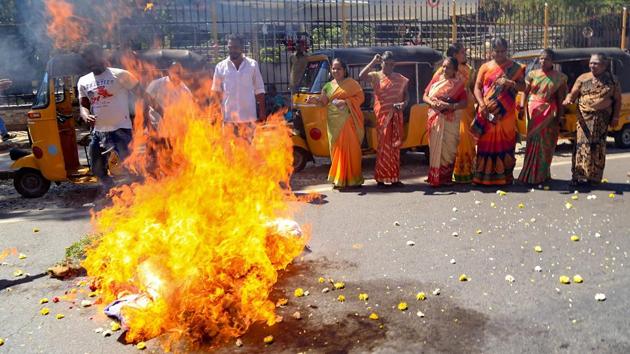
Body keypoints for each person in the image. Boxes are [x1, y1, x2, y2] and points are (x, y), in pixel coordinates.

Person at [78, 43, 143, 189]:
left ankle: (139, 193)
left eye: (94, 58)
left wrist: (161, 112)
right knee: (97, 169)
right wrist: (85, 115)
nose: (92, 62)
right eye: (88, 60)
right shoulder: (83, 81)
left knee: (130, 167)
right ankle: (111, 190)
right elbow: (83, 105)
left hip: (121, 130)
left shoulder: (120, 74)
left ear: (102, 57)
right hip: (99, 132)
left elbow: (143, 95)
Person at [472, 38, 525, 185]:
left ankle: (504, 176)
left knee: (506, 142)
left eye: (503, 51)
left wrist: (510, 83)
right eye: (497, 51)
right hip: (487, 110)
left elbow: (523, 87)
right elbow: (476, 87)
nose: (500, 54)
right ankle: (483, 176)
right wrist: (481, 104)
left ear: (507, 51)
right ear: (492, 52)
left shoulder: (515, 67)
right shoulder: (485, 67)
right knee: (485, 141)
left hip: (506, 113)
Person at [562, 53, 621, 186]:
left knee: (597, 147)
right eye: (591, 63)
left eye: (596, 63)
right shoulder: (583, 78)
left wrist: (616, 116)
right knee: (582, 146)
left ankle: (594, 177)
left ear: (604, 65)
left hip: (602, 119)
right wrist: (568, 100)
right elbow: (573, 93)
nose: (592, 66)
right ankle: (579, 176)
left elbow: (617, 100)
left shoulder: (612, 80)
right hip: (584, 118)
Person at [306, 58, 364, 189]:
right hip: (333, 122)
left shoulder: (352, 83)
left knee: (352, 149)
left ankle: (354, 180)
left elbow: (360, 98)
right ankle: (339, 179)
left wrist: (346, 102)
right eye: (333, 68)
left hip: (348, 121)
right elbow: (323, 103)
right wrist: (314, 100)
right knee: (337, 150)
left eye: (338, 68)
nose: (335, 71)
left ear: (344, 70)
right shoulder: (327, 86)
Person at [359, 51, 409, 187]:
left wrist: (403, 104)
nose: (389, 67)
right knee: (383, 148)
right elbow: (361, 76)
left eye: (392, 64)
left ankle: (394, 178)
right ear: (382, 63)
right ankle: (380, 178)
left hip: (396, 116)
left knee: (395, 147)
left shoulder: (400, 78)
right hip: (383, 117)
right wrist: (373, 62)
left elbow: (406, 97)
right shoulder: (376, 76)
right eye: (386, 64)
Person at [518, 49, 568, 185]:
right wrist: (522, 107)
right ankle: (528, 174)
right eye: (541, 58)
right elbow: (524, 92)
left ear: (552, 61)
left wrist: (560, 117)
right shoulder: (532, 74)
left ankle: (541, 175)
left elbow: (560, 99)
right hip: (533, 113)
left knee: (546, 144)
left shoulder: (560, 78)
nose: (542, 61)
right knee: (532, 142)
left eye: (546, 59)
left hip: (548, 114)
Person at [423, 57, 468, 187]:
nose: (444, 69)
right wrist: (433, 103)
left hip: (450, 120)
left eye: (447, 67)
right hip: (435, 117)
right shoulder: (436, 79)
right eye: (443, 66)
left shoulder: (459, 84)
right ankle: (434, 177)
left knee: (449, 149)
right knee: (435, 148)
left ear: (454, 69)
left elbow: (464, 103)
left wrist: (448, 106)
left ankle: (446, 178)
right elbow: (425, 95)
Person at [211, 34, 266, 138]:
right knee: (230, 152)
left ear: (242, 47)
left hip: (248, 119)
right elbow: (215, 92)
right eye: (230, 47)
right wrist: (215, 113)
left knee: (247, 151)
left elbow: (259, 90)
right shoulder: (220, 67)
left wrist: (262, 112)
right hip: (229, 120)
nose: (232, 50)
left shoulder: (252, 65)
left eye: (235, 47)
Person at [439, 43, 476, 183]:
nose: (465, 54)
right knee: (457, 138)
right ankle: (457, 172)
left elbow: (472, 87)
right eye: (462, 52)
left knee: (468, 138)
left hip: (467, 108)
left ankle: (469, 171)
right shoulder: (445, 69)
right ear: (454, 55)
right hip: (453, 109)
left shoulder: (469, 69)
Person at [145, 61, 193, 129]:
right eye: (176, 72)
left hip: (174, 130)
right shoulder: (156, 84)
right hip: (155, 127)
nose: (178, 75)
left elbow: (189, 113)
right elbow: (145, 101)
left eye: (180, 73)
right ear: (169, 71)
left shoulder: (186, 91)